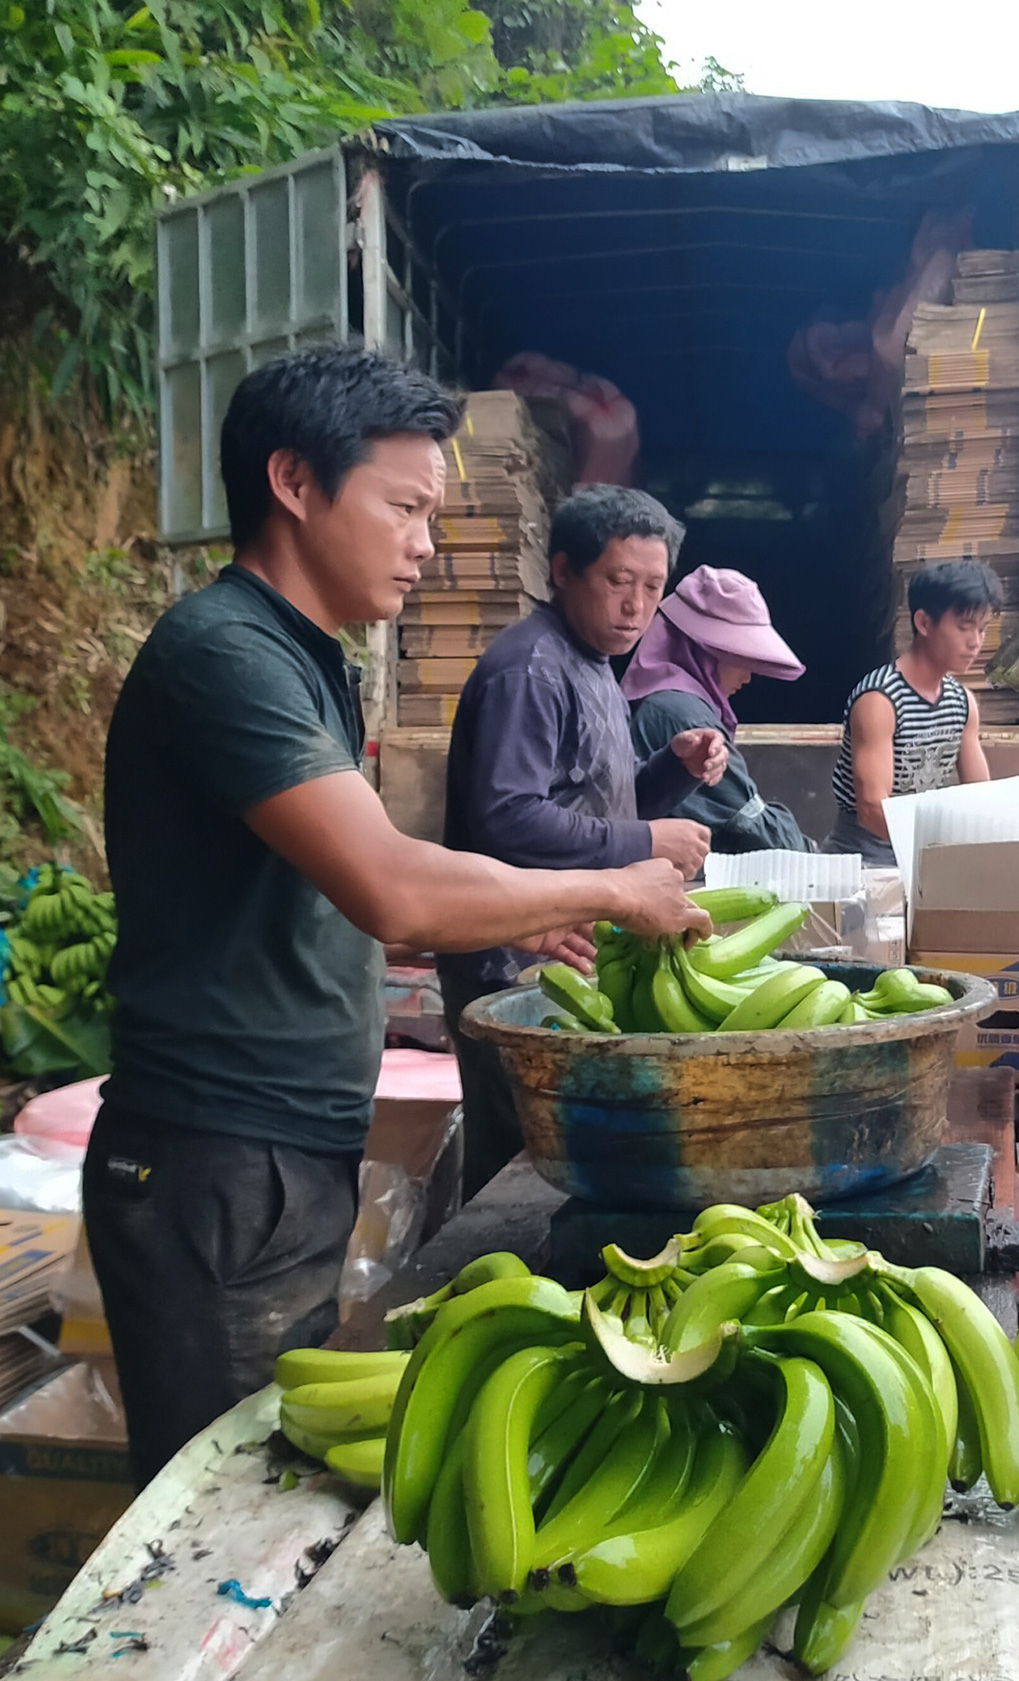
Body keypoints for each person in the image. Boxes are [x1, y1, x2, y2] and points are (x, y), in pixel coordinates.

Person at [88, 347, 710, 1486]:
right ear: (292, 481)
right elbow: (388, 879)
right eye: (407, 507)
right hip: (217, 1156)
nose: (426, 543)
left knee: (263, 1473)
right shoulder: (225, 657)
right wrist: (610, 885)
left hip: (276, 1152)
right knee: (213, 1510)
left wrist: (499, 921)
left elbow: (345, 901)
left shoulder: (307, 661)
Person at [440, 485, 729, 1197]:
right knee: (519, 1170)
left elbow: (588, 796)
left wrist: (672, 772)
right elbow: (506, 814)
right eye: (617, 581)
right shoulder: (531, 669)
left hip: (562, 944)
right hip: (508, 960)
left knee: (558, 1158)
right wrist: (645, 837)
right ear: (562, 571)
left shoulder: (592, 661)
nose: (635, 606)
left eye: (652, 587)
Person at [624, 565, 811, 853]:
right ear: (706, 651)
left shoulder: (662, 701)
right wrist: (814, 854)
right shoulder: (680, 713)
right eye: (740, 657)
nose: (748, 676)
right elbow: (757, 829)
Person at [824, 560, 997, 865]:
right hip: (866, 857)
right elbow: (872, 809)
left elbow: (981, 797)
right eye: (964, 627)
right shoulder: (880, 700)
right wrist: (936, 853)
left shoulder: (963, 702)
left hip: (927, 849)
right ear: (924, 623)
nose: (975, 642)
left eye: (982, 629)